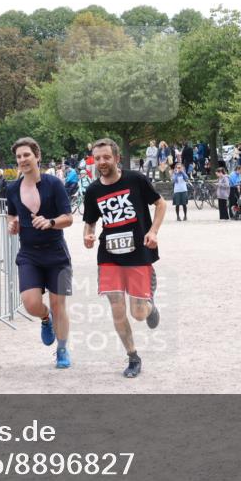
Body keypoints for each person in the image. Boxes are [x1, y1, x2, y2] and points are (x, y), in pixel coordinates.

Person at [82, 138, 166, 378]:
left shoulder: (135, 180)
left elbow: (160, 204)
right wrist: (88, 236)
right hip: (109, 255)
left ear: (117, 158)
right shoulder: (93, 190)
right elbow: (90, 221)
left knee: (137, 313)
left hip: (138, 252)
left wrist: (153, 231)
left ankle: (149, 307)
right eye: (97, 158)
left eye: (106, 157)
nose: (102, 162)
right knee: (117, 308)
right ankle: (133, 356)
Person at [5, 137, 74, 369]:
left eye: (27, 155)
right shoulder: (12, 188)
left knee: (58, 304)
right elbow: (12, 214)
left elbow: (69, 218)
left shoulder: (54, 184)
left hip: (56, 254)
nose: (23, 159)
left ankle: (62, 349)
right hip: (29, 254)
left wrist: (51, 222)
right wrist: (12, 224)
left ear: (37, 156)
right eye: (19, 156)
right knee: (31, 303)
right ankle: (46, 319)